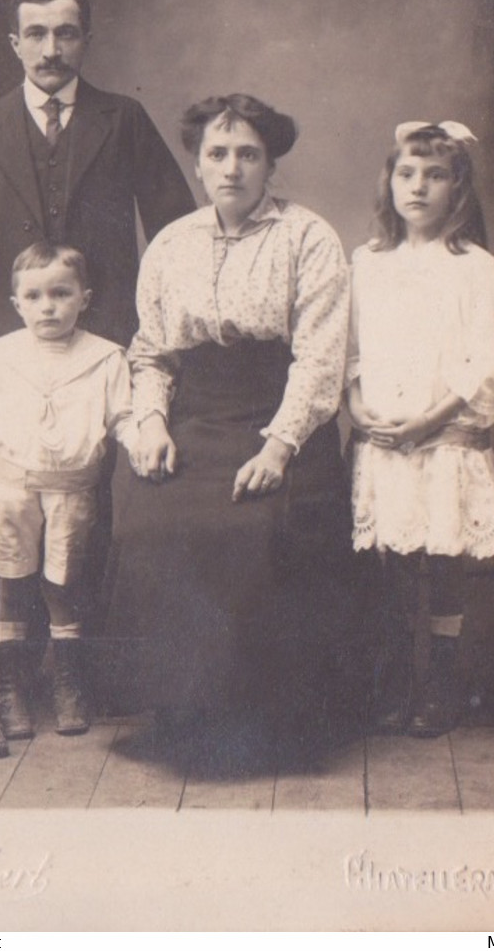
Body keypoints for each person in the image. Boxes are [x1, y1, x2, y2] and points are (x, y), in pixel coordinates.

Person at [102, 94, 357, 744]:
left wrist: (278, 449)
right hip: (195, 418)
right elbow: (152, 354)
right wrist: (152, 422)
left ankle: (265, 715)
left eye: (248, 154)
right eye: (217, 153)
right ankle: (182, 707)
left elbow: (320, 361)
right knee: (149, 510)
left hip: (278, 418)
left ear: (271, 163)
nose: (232, 168)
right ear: (197, 162)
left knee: (250, 524)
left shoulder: (309, 237)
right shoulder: (171, 244)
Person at [345, 120, 494, 739]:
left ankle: (441, 685)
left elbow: (486, 358)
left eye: (435, 175)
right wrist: (359, 404)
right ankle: (395, 680)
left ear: (458, 187)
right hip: (387, 441)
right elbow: (351, 348)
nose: (418, 186)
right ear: (389, 182)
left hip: (442, 438)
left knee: (442, 564)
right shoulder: (367, 263)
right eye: (406, 173)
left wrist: (430, 418)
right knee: (391, 566)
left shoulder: (471, 266)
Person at [0, 0, 195, 381]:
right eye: (36, 34)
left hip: (102, 338)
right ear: (15, 43)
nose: (51, 51)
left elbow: (177, 236)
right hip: (4, 339)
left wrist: (168, 341)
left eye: (65, 34)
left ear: (86, 40)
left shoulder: (124, 118)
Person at [0, 242, 136, 740]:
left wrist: (146, 445)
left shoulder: (106, 357)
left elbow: (123, 418)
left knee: (62, 587)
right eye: (35, 295)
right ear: (17, 303)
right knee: (11, 584)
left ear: (83, 298)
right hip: (14, 485)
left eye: (61, 293)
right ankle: (13, 689)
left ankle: (68, 682)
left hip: (72, 489)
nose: (48, 306)